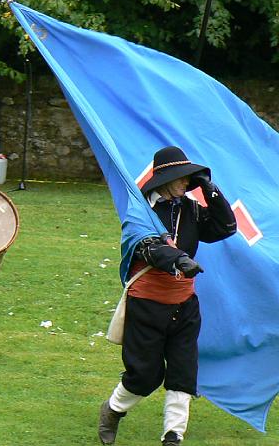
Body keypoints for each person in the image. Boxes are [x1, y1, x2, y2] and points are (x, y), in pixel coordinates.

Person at [98, 146, 237, 446]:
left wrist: (211, 191)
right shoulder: (140, 211)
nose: (187, 182)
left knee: (183, 372)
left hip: (185, 305)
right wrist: (178, 260)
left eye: (190, 178)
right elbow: (147, 246)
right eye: (182, 177)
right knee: (145, 376)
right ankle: (112, 410)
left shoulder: (190, 209)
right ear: (165, 179)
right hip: (147, 305)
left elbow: (226, 226)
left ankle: (173, 436)